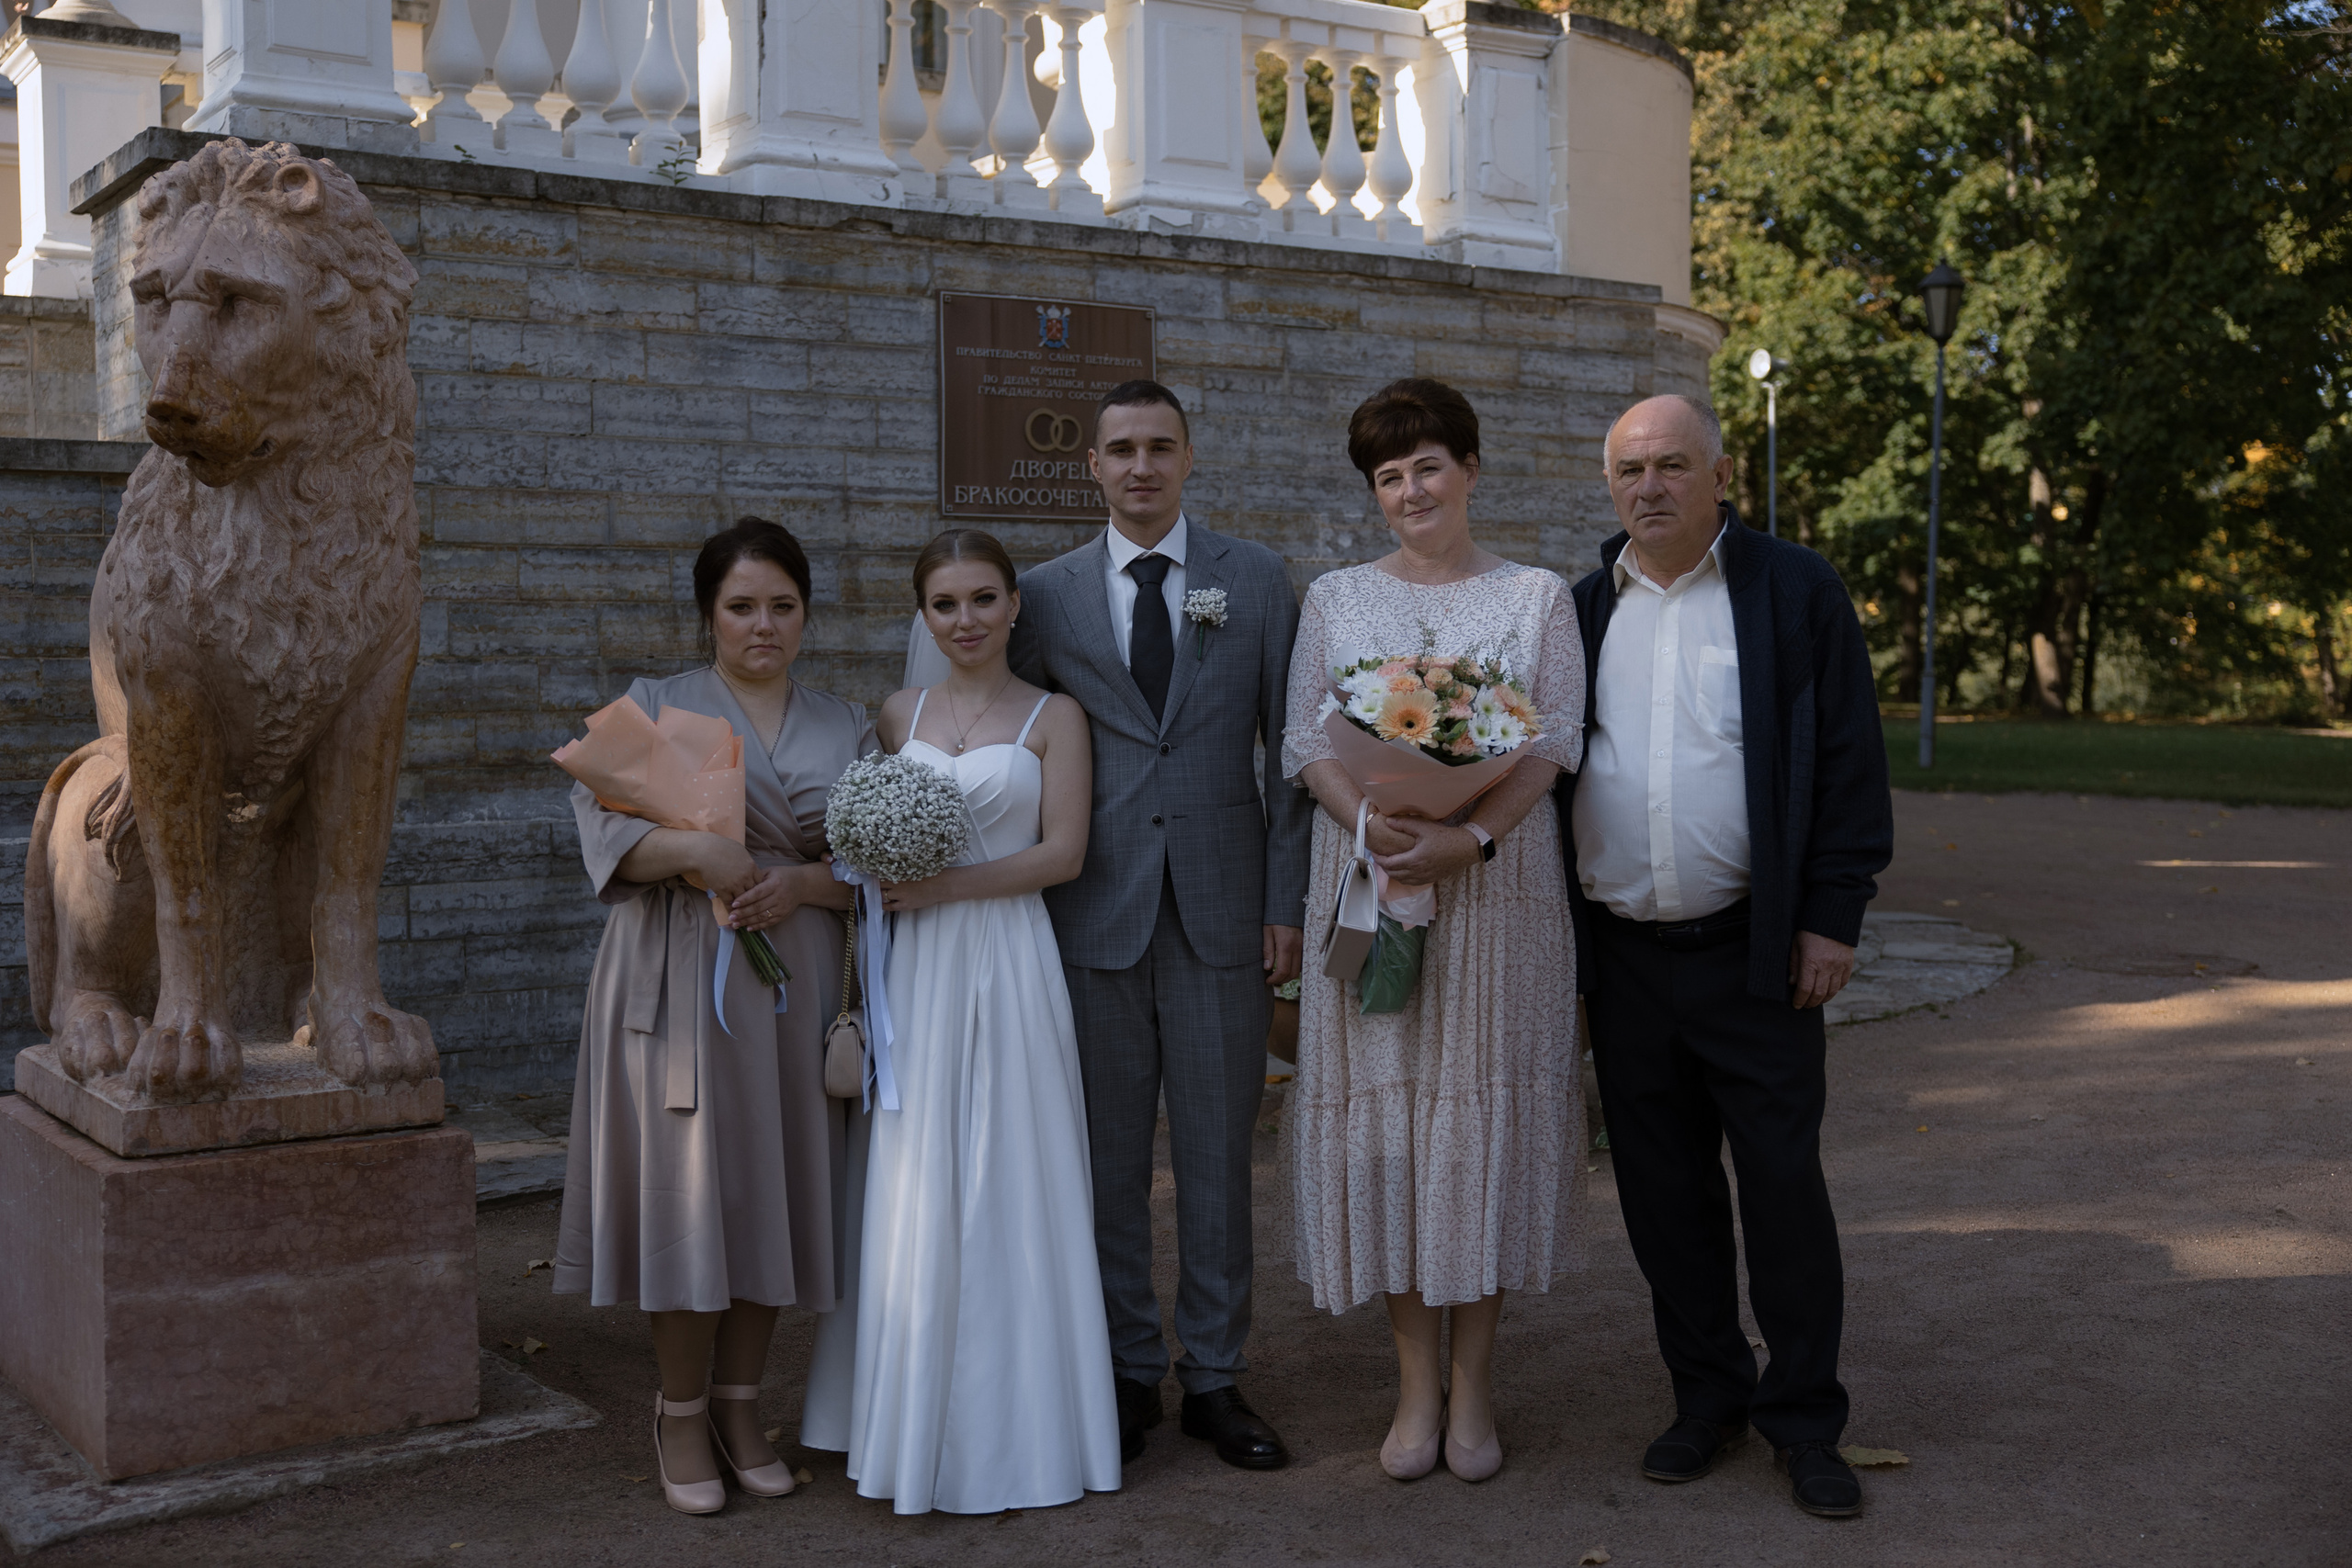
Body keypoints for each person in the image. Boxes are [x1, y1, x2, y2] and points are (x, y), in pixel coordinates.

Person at [1560, 394, 1893, 1518]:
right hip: (1624, 957)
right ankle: (1707, 1399)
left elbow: (1847, 758)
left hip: (1755, 955)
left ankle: (1804, 1421)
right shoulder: (1577, 612)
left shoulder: (1793, 590)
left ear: (1719, 472)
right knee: (1663, 1196)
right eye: (1626, 471)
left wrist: (1829, 917)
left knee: (1783, 1191)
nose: (1646, 487)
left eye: (1669, 465)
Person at [1281, 378, 1587, 1483]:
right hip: (1368, 879)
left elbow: (1550, 749)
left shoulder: (1536, 597)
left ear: (1467, 468)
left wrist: (1472, 841)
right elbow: (1304, 740)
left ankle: (1476, 1387)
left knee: (1478, 1125)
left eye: (1425, 466)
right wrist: (1369, 815)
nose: (1409, 490)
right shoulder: (1333, 599)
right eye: (1387, 475)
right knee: (1395, 1129)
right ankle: (1413, 1386)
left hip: (1498, 898)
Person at [1008, 380, 1312, 1471]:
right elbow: (1012, 746)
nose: (1141, 467)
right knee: (1104, 1161)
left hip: (1226, 916)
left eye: (1160, 448)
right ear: (1090, 466)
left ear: (1189, 458)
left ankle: (1216, 1378)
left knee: (1222, 1157)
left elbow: (1293, 757)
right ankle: (1127, 1371)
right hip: (1088, 912)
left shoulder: (1256, 579)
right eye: (1120, 450)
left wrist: (1287, 904)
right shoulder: (1040, 597)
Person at [552, 517, 872, 1517]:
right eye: (742, 607)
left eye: (782, 605)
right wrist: (698, 854)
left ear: (806, 612)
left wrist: (801, 884)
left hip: (795, 981)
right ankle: (681, 1412)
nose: (763, 623)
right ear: (708, 615)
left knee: (772, 1193)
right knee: (693, 1198)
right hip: (679, 976)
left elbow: (867, 866)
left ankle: (742, 1407)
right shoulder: (655, 707)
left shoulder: (847, 723)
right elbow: (604, 841)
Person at [828, 527, 1120, 1515]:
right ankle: (911, 1422)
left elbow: (1064, 854)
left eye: (984, 599)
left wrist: (947, 886)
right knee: (916, 1173)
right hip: (916, 970)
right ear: (924, 613)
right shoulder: (896, 710)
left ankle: (1024, 1429)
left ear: (1013, 605)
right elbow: (864, 840)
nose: (966, 620)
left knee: (1008, 1166)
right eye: (946, 603)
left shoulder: (1055, 717)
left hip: (1006, 956)